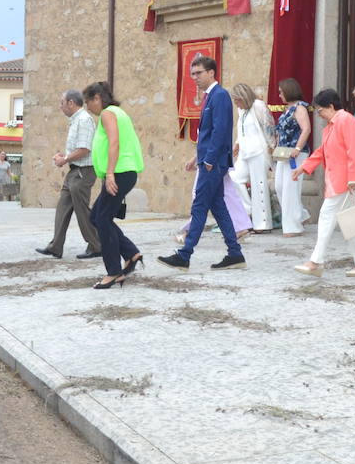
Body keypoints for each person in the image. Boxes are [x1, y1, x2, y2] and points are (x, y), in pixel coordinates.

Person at [158, 56, 245, 271]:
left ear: (211, 73)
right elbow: (207, 134)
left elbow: (221, 130)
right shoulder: (210, 97)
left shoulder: (220, 95)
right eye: (192, 74)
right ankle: (235, 254)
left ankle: (184, 255)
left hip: (212, 164)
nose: (194, 77)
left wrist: (209, 159)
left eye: (198, 73)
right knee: (218, 207)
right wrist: (197, 158)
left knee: (199, 206)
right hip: (208, 161)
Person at [291, 88, 355, 277]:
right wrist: (304, 167)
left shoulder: (345, 120)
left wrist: (353, 178)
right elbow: (322, 150)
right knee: (352, 221)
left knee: (327, 216)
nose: (319, 114)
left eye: (320, 110)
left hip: (345, 180)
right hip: (342, 180)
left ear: (330, 106)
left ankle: (316, 261)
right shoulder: (332, 124)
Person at [82, 82, 145, 289]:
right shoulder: (118, 112)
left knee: (102, 218)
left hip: (118, 172)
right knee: (96, 216)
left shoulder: (108, 114)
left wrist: (109, 173)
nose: (87, 107)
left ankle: (114, 272)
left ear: (97, 98)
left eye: (88, 102)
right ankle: (131, 253)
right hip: (122, 172)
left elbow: (114, 142)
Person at [36, 89, 101, 260]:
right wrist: (64, 156)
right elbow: (78, 148)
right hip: (76, 171)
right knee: (63, 207)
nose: (60, 106)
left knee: (82, 210)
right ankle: (55, 246)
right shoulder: (76, 120)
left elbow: (85, 149)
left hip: (83, 171)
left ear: (71, 103)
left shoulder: (84, 120)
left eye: (62, 102)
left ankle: (97, 245)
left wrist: (64, 159)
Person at [230, 83, 273, 233]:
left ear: (244, 97)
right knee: (234, 177)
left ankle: (262, 224)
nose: (236, 103)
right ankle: (247, 212)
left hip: (258, 152)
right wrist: (237, 143)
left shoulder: (258, 106)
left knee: (259, 185)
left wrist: (271, 145)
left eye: (237, 100)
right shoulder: (241, 110)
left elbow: (268, 126)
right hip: (244, 152)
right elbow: (241, 130)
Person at [273, 78, 312, 237]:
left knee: (290, 188)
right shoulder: (287, 109)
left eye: (281, 91)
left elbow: (306, 129)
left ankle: (293, 227)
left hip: (296, 154)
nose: (279, 94)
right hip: (284, 153)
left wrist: (297, 148)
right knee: (279, 186)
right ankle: (300, 215)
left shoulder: (299, 107)